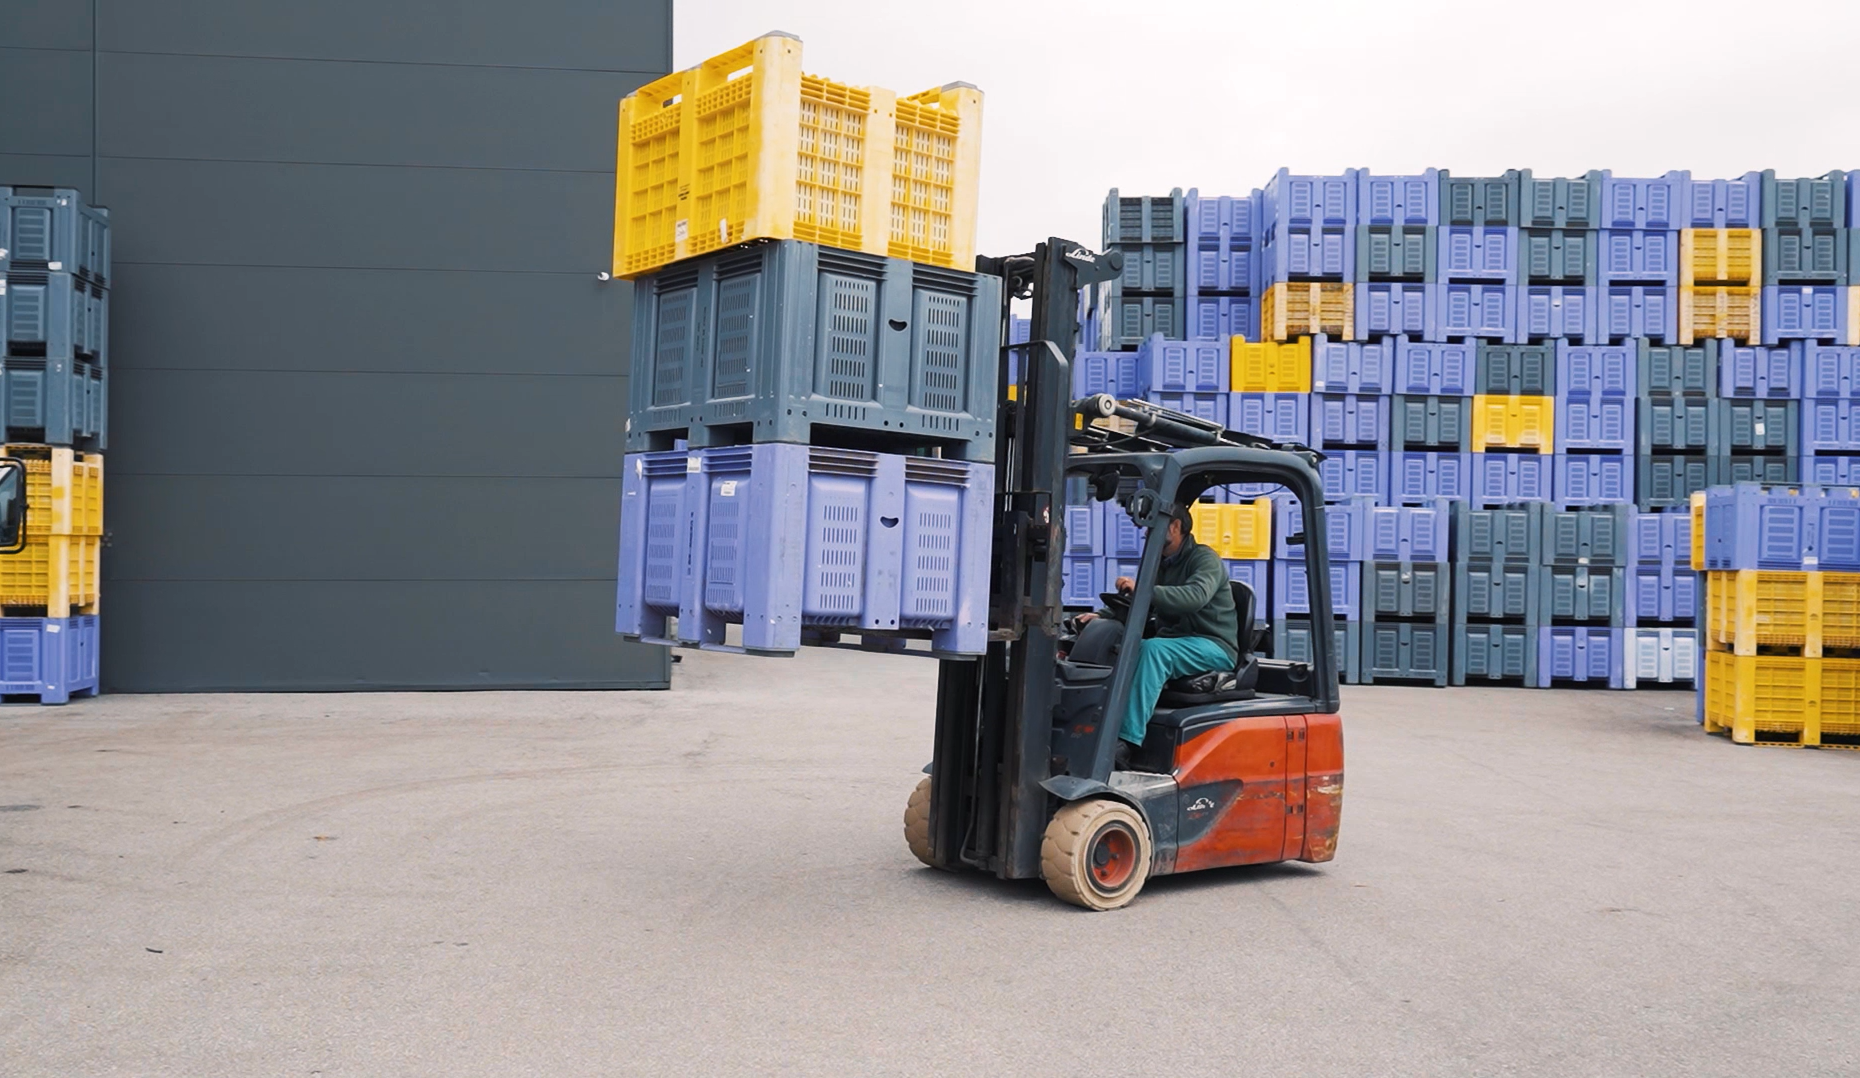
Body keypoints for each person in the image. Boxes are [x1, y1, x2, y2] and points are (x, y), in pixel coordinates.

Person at [1078, 505, 1237, 764]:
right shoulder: (1159, 562)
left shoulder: (1204, 559)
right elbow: (1140, 602)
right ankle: (1096, 727)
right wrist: (1103, 617)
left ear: (1174, 526)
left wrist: (1144, 588)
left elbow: (1195, 597)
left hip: (1213, 644)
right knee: (1118, 644)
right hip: (1178, 642)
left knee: (1153, 651)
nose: (1146, 533)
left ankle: (1125, 743)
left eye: (1154, 526)